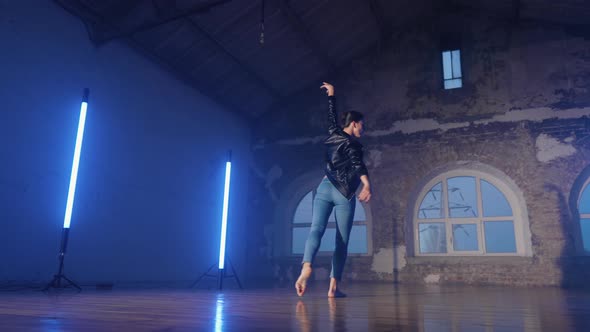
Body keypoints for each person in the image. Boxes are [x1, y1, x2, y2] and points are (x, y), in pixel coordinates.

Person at [295, 82, 372, 298]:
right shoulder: (354, 145)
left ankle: (306, 266)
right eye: (361, 125)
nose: (362, 129)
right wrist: (366, 184)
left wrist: (332, 95)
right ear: (354, 124)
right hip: (344, 193)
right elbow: (358, 164)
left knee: (315, 229)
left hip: (324, 187)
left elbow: (331, 116)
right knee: (342, 240)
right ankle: (333, 287)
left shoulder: (332, 133)